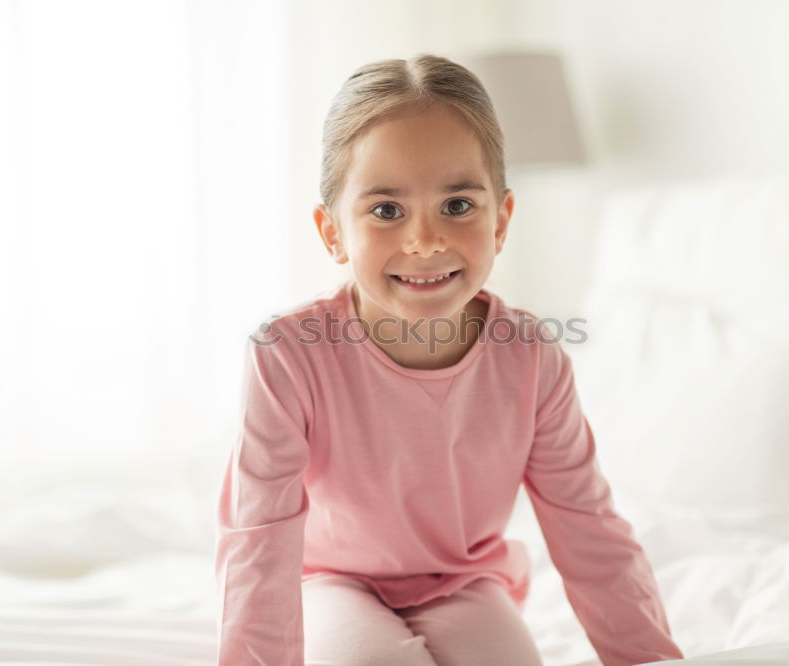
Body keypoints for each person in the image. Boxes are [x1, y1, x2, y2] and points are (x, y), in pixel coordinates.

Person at [215, 53, 685, 666]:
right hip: (329, 581)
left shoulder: (533, 358)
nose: (426, 240)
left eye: (458, 205)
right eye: (386, 211)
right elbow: (259, 537)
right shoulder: (287, 354)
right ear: (332, 233)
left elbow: (588, 527)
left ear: (501, 219)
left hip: (464, 583)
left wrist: (651, 659)